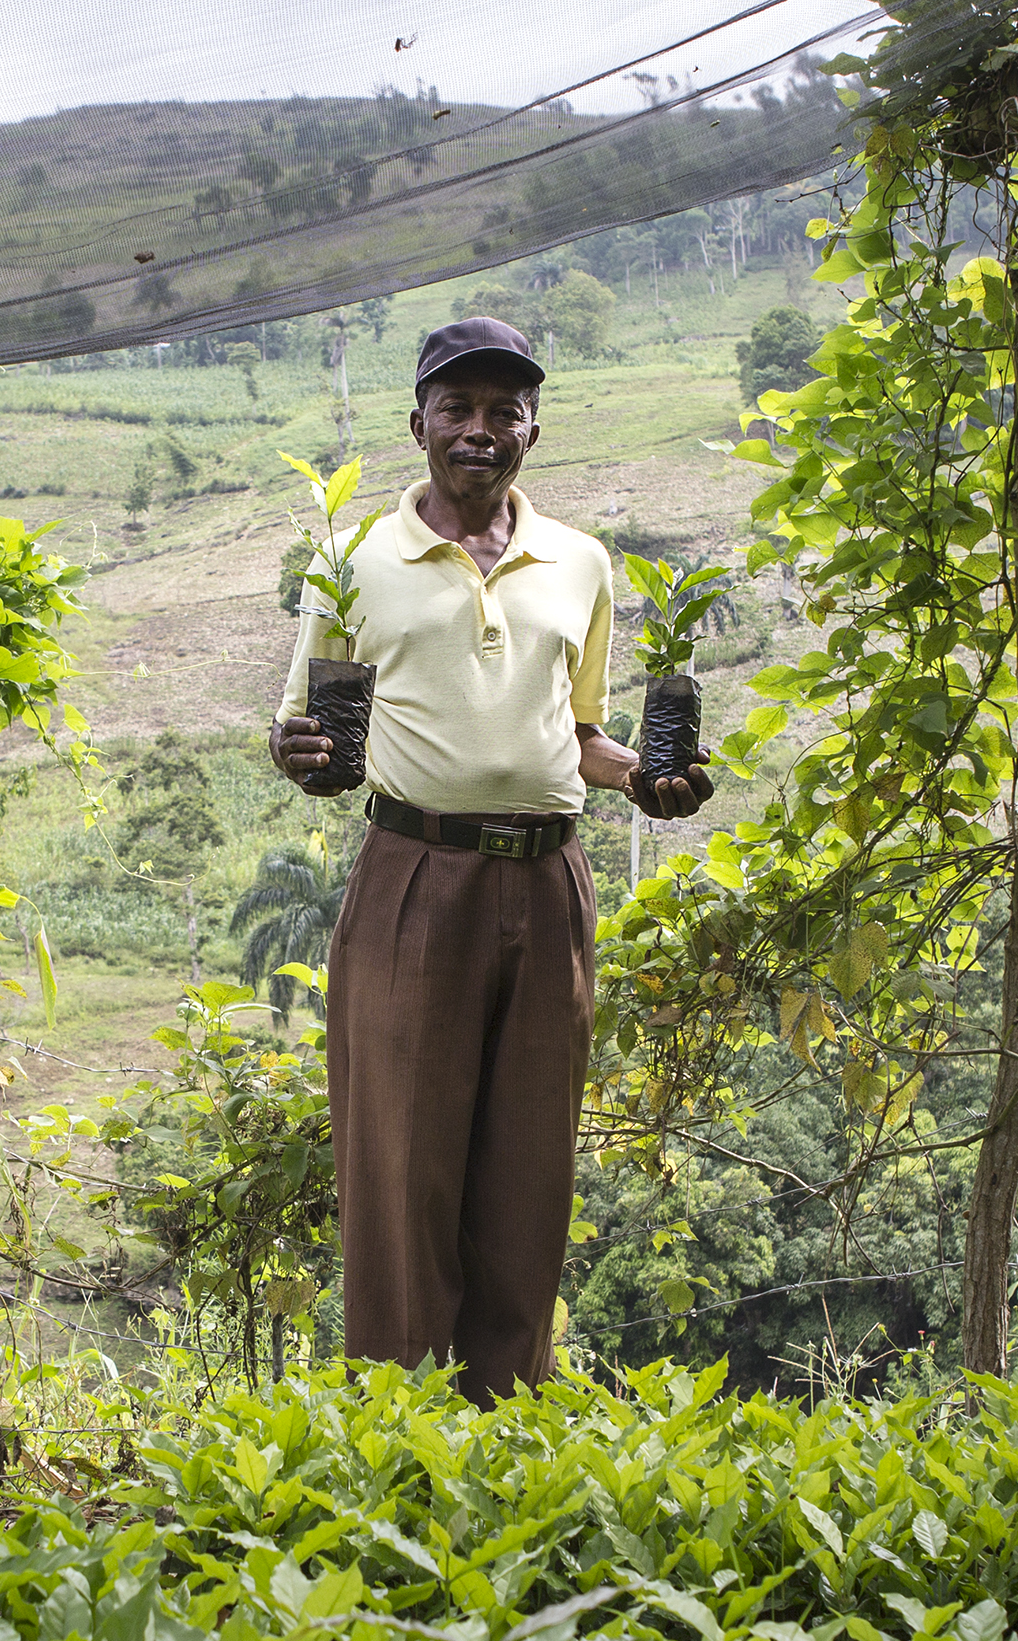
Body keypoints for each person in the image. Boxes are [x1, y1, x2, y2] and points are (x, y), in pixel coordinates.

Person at [269, 316, 710, 1399]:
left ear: (532, 429)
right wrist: (301, 752)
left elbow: (584, 727)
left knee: (528, 1169)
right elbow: (305, 733)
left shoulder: (579, 564)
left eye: (503, 411)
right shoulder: (353, 562)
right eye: (457, 409)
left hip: (550, 885)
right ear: (416, 423)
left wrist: (645, 779)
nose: (480, 429)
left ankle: (510, 1421)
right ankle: (401, 1422)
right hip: (415, 877)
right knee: (404, 1166)